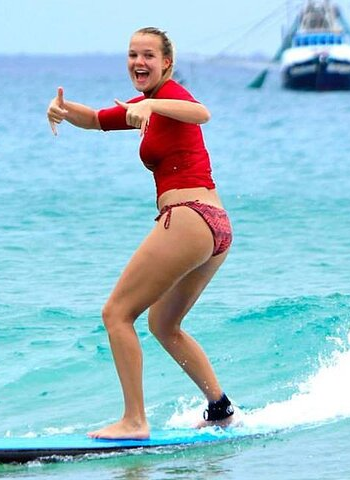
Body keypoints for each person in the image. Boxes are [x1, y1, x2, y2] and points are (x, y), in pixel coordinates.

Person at [47, 27, 235, 440]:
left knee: (116, 314)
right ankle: (220, 408)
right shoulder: (149, 105)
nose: (138, 62)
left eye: (148, 55)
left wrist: (153, 104)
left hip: (189, 217)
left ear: (167, 63)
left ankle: (134, 421)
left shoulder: (171, 98)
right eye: (133, 55)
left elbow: (202, 113)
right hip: (216, 226)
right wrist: (63, 109)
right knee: (163, 324)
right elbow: (97, 120)